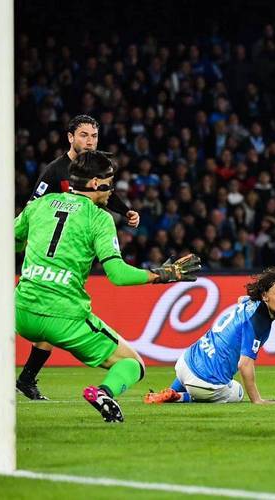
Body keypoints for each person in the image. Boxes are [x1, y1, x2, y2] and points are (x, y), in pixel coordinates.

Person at [14, 150, 201, 422]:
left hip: (21, 311)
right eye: (109, 183)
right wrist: (161, 274)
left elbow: (11, 240)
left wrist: (26, 247)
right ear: (94, 183)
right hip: (64, 317)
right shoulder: (99, 218)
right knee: (133, 364)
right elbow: (118, 275)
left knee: (2, 335)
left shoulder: (39, 204)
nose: (111, 190)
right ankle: (104, 393)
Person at [18, 114, 139, 401]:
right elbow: (34, 204)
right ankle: (25, 379)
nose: (90, 141)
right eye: (84, 135)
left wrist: (125, 211)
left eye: (94, 136)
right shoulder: (54, 171)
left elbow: (104, 194)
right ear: (70, 137)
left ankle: (24, 379)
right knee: (52, 316)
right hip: (48, 252)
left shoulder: (94, 172)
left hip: (71, 248)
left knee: (46, 324)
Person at [144, 268, 275, 405]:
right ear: (265, 295)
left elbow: (241, 299)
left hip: (184, 362)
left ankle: (171, 391)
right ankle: (181, 397)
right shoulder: (259, 322)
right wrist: (257, 400)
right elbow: (244, 365)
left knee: (203, 365)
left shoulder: (251, 303)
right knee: (237, 392)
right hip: (204, 383)